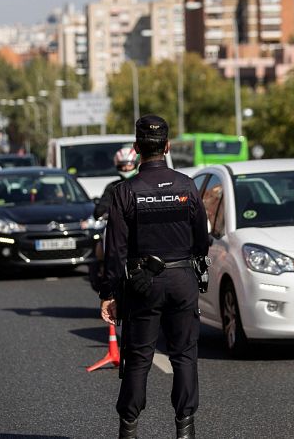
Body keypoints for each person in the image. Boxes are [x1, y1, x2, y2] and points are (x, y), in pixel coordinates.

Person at [100, 115, 210, 439]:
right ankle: (185, 430)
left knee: (138, 359)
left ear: (136, 149)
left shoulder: (124, 192)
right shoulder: (186, 185)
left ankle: (129, 430)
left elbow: (115, 251)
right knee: (185, 356)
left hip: (142, 285)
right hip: (182, 281)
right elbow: (202, 240)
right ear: (167, 146)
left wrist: (110, 294)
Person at [89, 147, 139, 293]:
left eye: (128, 164)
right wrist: (105, 212)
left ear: (135, 164)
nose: (125, 168)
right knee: (100, 247)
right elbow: (100, 209)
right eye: (122, 165)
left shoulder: (142, 183)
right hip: (116, 230)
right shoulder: (112, 187)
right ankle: (105, 274)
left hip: (138, 229)